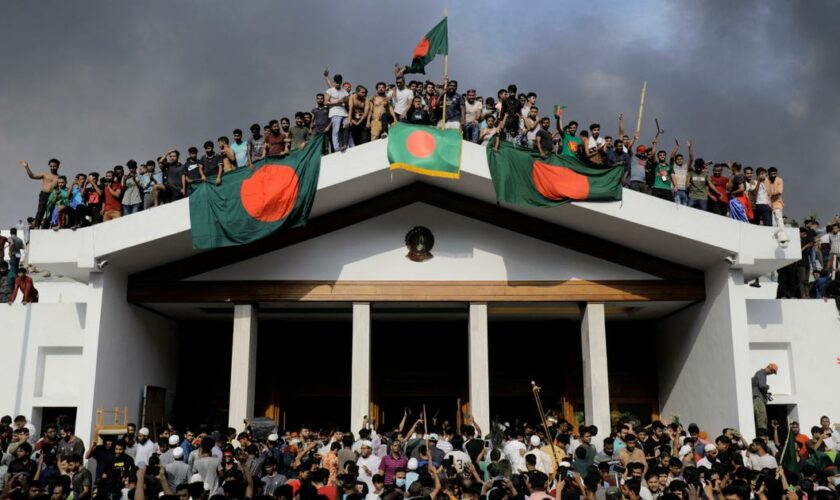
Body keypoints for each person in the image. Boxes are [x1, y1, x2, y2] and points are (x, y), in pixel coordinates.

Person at [20, 159, 61, 229]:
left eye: (54, 166)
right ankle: (36, 226)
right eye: (51, 166)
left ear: (58, 167)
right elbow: (32, 176)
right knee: (41, 210)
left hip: (52, 196)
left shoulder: (59, 178)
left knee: (50, 212)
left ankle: (47, 227)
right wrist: (27, 167)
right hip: (44, 194)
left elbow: (61, 187)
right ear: (49, 166)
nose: (52, 167)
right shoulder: (45, 174)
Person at [325, 71, 350, 152]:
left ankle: (347, 145)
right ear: (334, 81)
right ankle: (336, 149)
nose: (338, 84)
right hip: (335, 113)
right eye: (336, 82)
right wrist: (337, 102)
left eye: (339, 82)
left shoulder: (344, 91)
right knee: (336, 131)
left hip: (344, 114)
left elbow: (347, 101)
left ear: (341, 81)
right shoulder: (330, 90)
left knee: (347, 127)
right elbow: (326, 102)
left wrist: (345, 100)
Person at [751, 363, 777, 432]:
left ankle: (761, 432)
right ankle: (762, 434)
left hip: (758, 397)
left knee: (761, 418)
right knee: (762, 418)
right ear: (769, 368)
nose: (771, 373)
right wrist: (767, 387)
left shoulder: (761, 374)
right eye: (772, 372)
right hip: (758, 398)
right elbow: (762, 385)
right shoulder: (761, 373)